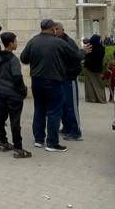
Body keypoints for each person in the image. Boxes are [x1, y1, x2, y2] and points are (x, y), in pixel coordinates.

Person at [20, 19, 87, 152]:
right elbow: (76, 56)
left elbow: (23, 58)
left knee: (39, 109)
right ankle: (52, 143)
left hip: (36, 82)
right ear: (53, 29)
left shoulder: (33, 41)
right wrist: (84, 51)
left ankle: (39, 140)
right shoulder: (58, 42)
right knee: (54, 111)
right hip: (53, 81)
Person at [0, 32, 31, 158]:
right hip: (13, 96)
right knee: (15, 122)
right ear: (10, 44)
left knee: (0, 119)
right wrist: (23, 90)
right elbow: (17, 78)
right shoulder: (14, 60)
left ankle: (3, 143)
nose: (17, 43)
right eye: (15, 41)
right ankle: (18, 148)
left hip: (1, 93)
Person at [54, 22, 83, 141]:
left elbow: (76, 60)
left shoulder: (69, 43)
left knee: (71, 106)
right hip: (60, 79)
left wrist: (70, 74)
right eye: (54, 29)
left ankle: (75, 132)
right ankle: (66, 127)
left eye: (57, 29)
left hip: (69, 79)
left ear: (62, 29)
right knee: (63, 106)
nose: (55, 31)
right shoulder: (56, 42)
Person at [83, 34, 106, 103]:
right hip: (98, 68)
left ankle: (91, 98)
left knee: (89, 84)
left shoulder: (90, 47)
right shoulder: (101, 47)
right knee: (99, 84)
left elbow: (86, 56)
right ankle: (101, 99)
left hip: (89, 68)